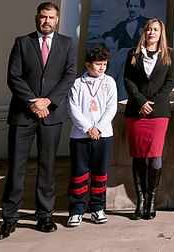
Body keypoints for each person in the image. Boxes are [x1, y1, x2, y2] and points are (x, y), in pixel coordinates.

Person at [0, 2, 76, 240]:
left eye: (51, 17)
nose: (46, 21)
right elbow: (13, 77)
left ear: (57, 19)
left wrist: (47, 102)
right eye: (42, 17)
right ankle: (8, 219)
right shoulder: (22, 43)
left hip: (52, 114)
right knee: (16, 167)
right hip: (23, 114)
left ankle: (44, 216)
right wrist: (33, 102)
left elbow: (69, 76)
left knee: (47, 166)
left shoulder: (67, 44)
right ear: (36, 18)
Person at [123, 18, 174, 220]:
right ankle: (140, 201)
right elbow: (127, 80)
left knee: (154, 156)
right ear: (144, 32)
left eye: (155, 29)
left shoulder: (169, 54)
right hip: (136, 112)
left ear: (161, 33)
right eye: (148, 29)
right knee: (138, 156)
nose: (151, 32)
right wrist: (140, 103)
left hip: (158, 113)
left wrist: (151, 104)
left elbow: (170, 82)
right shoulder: (133, 54)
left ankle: (151, 199)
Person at [66, 45, 117, 227]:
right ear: (88, 64)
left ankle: (97, 208)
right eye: (98, 64)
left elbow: (112, 107)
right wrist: (88, 128)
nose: (102, 67)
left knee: (100, 173)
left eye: (104, 64)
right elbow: (73, 108)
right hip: (80, 136)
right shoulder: (78, 83)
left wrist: (99, 128)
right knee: (79, 174)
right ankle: (76, 210)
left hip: (103, 136)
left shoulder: (109, 82)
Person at [101, 0, 150, 98]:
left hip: (141, 57)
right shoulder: (122, 25)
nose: (132, 9)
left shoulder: (147, 23)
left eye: (136, 6)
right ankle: (120, 97)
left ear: (141, 9)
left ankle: (105, 82)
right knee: (122, 77)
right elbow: (111, 33)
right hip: (125, 61)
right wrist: (109, 38)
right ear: (127, 7)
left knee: (123, 52)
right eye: (130, 6)